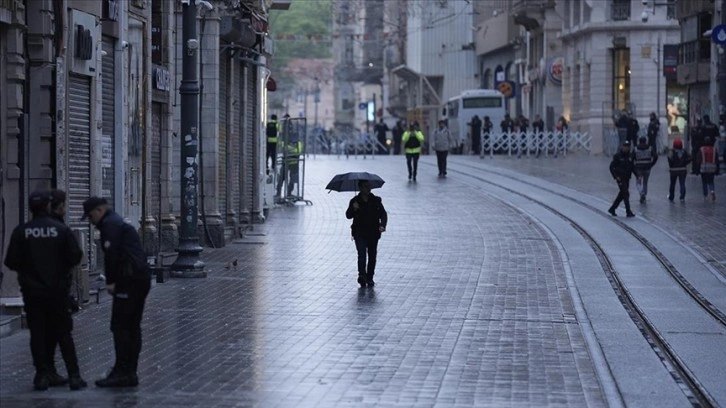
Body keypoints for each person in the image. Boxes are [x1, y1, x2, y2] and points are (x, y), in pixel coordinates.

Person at [4, 191, 86, 391]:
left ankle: (41, 376)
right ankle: (74, 376)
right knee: (64, 334)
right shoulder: (60, 230)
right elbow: (75, 256)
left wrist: (29, 272)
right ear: (48, 207)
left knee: (38, 334)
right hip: (57, 291)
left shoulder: (22, 231)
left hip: (33, 293)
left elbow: (11, 261)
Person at [82, 197, 151, 387]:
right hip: (140, 277)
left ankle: (122, 371)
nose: (90, 221)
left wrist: (111, 282)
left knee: (120, 326)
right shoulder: (117, 222)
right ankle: (130, 372)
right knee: (132, 326)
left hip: (129, 280)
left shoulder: (110, 225)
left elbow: (111, 255)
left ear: (99, 210)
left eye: (90, 215)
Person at [345, 180, 387, 287]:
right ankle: (362, 276)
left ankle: (370, 277)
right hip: (360, 233)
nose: (368, 188)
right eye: (365, 186)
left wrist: (382, 225)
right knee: (362, 255)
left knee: (372, 256)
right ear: (360, 188)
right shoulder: (355, 201)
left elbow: (383, 214)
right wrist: (354, 209)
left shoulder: (376, 200)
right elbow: (348, 215)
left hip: (373, 233)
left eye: (369, 186)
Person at [608, 140, 636, 217]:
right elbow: (611, 167)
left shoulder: (630, 156)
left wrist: (637, 175)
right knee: (626, 193)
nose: (626, 148)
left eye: (628, 147)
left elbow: (632, 167)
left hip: (627, 178)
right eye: (625, 147)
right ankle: (628, 211)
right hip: (620, 178)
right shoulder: (617, 156)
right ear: (622, 147)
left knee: (622, 194)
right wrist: (615, 177)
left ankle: (612, 208)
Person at [633, 136, 658, 203]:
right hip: (647, 168)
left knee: (638, 182)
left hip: (638, 169)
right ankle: (644, 195)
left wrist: (633, 166)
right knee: (645, 183)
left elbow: (632, 158)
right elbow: (655, 156)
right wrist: (652, 164)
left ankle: (641, 193)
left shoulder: (635, 149)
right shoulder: (649, 148)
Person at [667, 138, 691, 202]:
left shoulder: (671, 151)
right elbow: (690, 158)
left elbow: (669, 159)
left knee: (672, 184)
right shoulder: (684, 151)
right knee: (682, 183)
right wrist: (685, 163)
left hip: (673, 170)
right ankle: (682, 197)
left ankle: (671, 196)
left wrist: (671, 165)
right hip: (683, 169)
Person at [698, 136, 720, 201]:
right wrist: (717, 169)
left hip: (704, 168)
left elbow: (699, 159)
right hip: (712, 168)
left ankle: (705, 195)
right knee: (711, 181)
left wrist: (697, 168)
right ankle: (712, 191)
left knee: (704, 182)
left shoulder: (701, 149)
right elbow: (717, 159)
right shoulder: (714, 149)